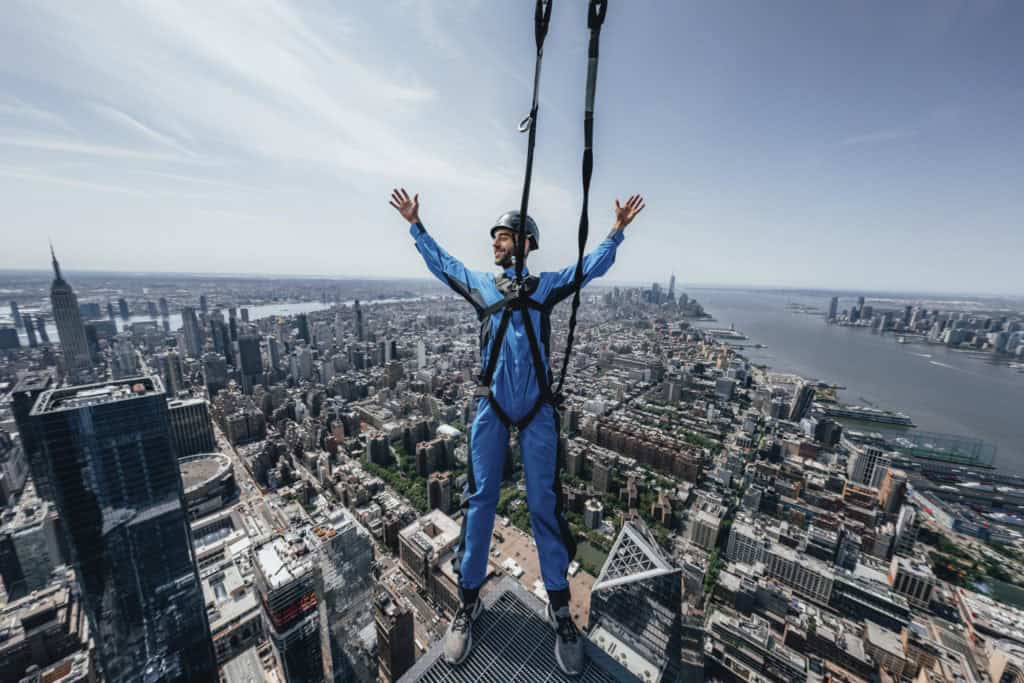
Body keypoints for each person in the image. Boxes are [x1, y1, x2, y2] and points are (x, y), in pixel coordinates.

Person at [389, 187, 645, 676]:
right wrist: (416, 227)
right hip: (492, 407)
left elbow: (586, 269)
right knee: (480, 500)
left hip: (537, 411)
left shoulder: (544, 289)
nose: (495, 244)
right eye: (496, 239)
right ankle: (468, 603)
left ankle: (561, 610)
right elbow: (445, 265)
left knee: (544, 505)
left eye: (503, 237)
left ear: (525, 243)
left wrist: (616, 232)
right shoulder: (485, 288)